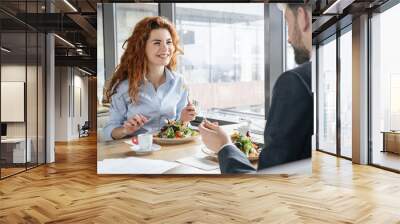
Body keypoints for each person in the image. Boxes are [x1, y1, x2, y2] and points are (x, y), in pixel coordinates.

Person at [199, 3, 313, 173]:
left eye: (288, 23)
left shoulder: (294, 82)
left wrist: (224, 146)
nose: (288, 38)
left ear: (303, 17)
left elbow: (264, 186)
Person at [102, 16, 196, 141]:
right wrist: (125, 130)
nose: (165, 48)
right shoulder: (124, 87)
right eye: (157, 43)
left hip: (169, 150)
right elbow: (109, 131)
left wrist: (184, 120)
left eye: (168, 42)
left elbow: (180, 129)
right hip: (135, 152)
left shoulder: (179, 82)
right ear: (141, 47)